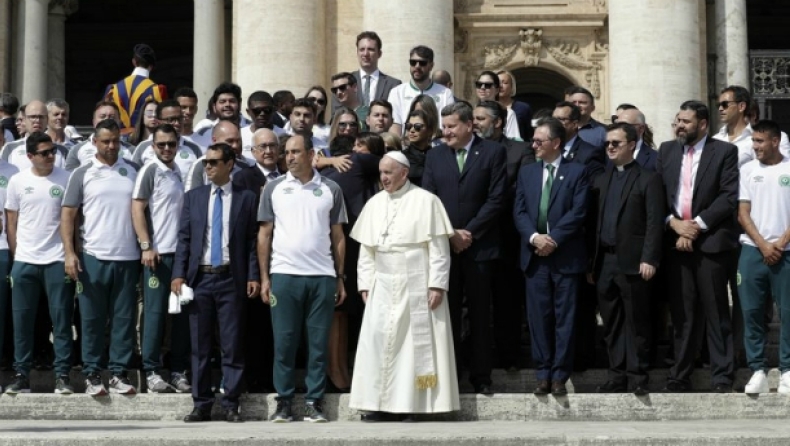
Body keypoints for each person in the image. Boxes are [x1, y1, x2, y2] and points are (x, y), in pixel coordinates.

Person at [349, 151, 459, 421]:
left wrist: (437, 284)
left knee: (413, 347)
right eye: (381, 172)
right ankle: (378, 404)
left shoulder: (427, 201)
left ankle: (413, 406)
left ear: (404, 173)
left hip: (416, 280)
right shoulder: (375, 203)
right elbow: (367, 251)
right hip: (382, 283)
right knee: (378, 343)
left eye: (388, 172)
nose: (383, 178)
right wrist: (365, 283)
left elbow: (439, 249)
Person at [258, 132, 348, 423]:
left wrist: (339, 276)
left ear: (312, 155)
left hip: (321, 276)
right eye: (287, 152)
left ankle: (314, 401)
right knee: (284, 343)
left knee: (318, 344)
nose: (290, 157)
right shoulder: (273, 188)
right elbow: (264, 234)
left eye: (296, 152)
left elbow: (338, 236)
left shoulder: (331, 188)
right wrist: (264, 277)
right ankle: (283, 402)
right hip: (284, 275)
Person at [422, 101, 506, 395]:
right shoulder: (435, 156)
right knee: (448, 314)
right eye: (444, 127)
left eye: (451, 126)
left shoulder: (494, 152)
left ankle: (481, 377)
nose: (446, 132)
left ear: (469, 125)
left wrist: (469, 232)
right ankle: (451, 376)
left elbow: (497, 198)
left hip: (480, 247)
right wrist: (450, 233)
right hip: (445, 249)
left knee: (481, 314)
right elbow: (429, 198)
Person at [655, 100, 739, 393]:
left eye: (686, 122)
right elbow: (657, 195)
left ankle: (722, 376)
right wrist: (673, 223)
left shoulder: (725, 152)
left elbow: (728, 197)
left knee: (716, 312)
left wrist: (695, 227)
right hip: (675, 241)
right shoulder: (666, 151)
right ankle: (679, 374)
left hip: (711, 243)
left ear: (703, 124)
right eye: (677, 120)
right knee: (683, 315)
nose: (680, 126)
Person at [173, 142, 260, 423]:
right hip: (201, 279)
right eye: (205, 163)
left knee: (232, 344)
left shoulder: (246, 198)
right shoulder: (195, 197)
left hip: (231, 278)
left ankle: (231, 402)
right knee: (199, 345)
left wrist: (253, 275)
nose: (207, 167)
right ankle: (201, 404)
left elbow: (250, 242)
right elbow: (184, 238)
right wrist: (179, 274)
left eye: (213, 162)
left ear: (229, 164)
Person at [61, 119, 141, 396]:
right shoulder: (82, 173)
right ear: (94, 142)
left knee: (123, 319)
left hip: (128, 256)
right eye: (105, 141)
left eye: (115, 141)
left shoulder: (133, 171)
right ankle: (92, 373)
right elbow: (68, 214)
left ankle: (119, 373)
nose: (111, 146)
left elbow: (144, 211)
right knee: (92, 319)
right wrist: (70, 253)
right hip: (93, 255)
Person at [513, 117, 589, 396]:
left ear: (556, 143)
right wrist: (535, 238)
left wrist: (553, 238)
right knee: (538, 319)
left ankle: (560, 375)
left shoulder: (577, 172)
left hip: (564, 257)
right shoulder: (527, 173)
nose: (533, 145)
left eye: (538, 141)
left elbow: (578, 212)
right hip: (535, 258)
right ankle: (542, 373)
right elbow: (519, 211)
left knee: (564, 319)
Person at [588, 123, 664, 395]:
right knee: (611, 323)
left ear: (632, 145)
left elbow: (655, 223)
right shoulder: (602, 179)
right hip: (604, 262)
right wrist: (591, 263)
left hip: (634, 263)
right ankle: (616, 375)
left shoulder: (648, 178)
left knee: (637, 322)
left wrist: (650, 258)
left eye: (616, 143)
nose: (610, 147)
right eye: (607, 143)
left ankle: (638, 376)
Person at [473, 100, 534, 369]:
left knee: (507, 302)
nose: (475, 123)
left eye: (481, 119)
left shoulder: (521, 150)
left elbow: (525, 189)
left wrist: (492, 198)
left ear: (498, 122)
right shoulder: (469, 149)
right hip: (475, 237)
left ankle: (509, 356)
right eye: (473, 118)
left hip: (508, 237)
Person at [131, 124, 191, 394]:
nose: (167, 149)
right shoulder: (150, 170)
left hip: (179, 256)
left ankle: (178, 370)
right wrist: (146, 245)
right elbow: (137, 207)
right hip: (157, 254)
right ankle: (152, 370)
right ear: (153, 146)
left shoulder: (178, 171)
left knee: (181, 316)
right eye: (161, 144)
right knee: (154, 315)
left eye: (171, 144)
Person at [321, 133, 383, 393]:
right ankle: (337, 373)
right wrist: (329, 160)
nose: (355, 152)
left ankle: (341, 372)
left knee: (345, 314)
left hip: (352, 247)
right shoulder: (354, 165)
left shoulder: (355, 168)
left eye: (361, 146)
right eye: (354, 147)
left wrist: (327, 161)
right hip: (346, 247)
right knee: (340, 312)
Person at [736, 120, 790, 395]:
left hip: (786, 252)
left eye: (759, 141)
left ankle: (787, 370)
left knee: (788, 313)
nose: (754, 146)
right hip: (752, 251)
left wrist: (779, 243)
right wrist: (762, 244)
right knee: (752, 312)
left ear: (775, 142)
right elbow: (743, 212)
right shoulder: (747, 170)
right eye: (753, 141)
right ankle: (757, 369)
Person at [231, 128, 281, 393]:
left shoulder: (287, 176)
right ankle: (254, 379)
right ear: (253, 151)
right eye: (262, 146)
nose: (269, 151)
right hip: (252, 258)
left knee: (277, 326)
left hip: (283, 259)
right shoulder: (243, 177)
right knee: (253, 326)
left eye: (273, 145)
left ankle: (274, 379)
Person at [388, 46, 454, 135]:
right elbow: (395, 126)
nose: (417, 66)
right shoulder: (397, 92)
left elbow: (449, 125)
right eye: (413, 62)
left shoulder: (445, 93)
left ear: (431, 65)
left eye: (422, 63)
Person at [103, 44, 166, 132]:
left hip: (117, 140)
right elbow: (162, 121)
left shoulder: (113, 89)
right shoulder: (157, 91)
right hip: (144, 140)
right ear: (151, 66)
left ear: (134, 62)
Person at [131, 100, 203, 175]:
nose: (177, 123)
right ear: (158, 121)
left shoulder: (194, 149)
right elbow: (134, 176)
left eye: (180, 118)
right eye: (171, 120)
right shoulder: (143, 148)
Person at [65, 101, 136, 171]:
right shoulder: (77, 150)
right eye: (102, 116)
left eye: (112, 117)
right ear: (93, 122)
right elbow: (70, 177)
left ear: (119, 122)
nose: (107, 120)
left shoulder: (132, 151)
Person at [1, 100, 68, 170]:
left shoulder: (62, 150)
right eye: (32, 117)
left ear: (47, 119)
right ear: (24, 120)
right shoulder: (10, 148)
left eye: (41, 117)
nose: (37, 120)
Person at [184, 120, 250, 192]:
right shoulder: (200, 166)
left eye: (238, 141)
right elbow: (192, 197)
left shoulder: (244, 168)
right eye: (230, 141)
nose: (235, 146)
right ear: (214, 140)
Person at [713, 85, 753, 167]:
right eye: (718, 105)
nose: (720, 109)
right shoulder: (715, 140)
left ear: (741, 106)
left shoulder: (755, 140)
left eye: (725, 104)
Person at [474, 71, 521, 140]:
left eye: (488, 85)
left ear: (497, 90)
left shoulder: (508, 113)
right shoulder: (470, 111)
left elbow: (513, 141)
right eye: (479, 84)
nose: (482, 87)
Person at [402, 109, 437, 188]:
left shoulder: (438, 157)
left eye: (418, 126)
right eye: (408, 126)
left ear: (430, 131)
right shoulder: (402, 157)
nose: (412, 130)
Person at [497, 70, 533, 141]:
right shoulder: (488, 107)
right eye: (497, 83)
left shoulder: (523, 108)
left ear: (512, 86)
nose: (501, 86)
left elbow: (529, 134)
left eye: (505, 83)